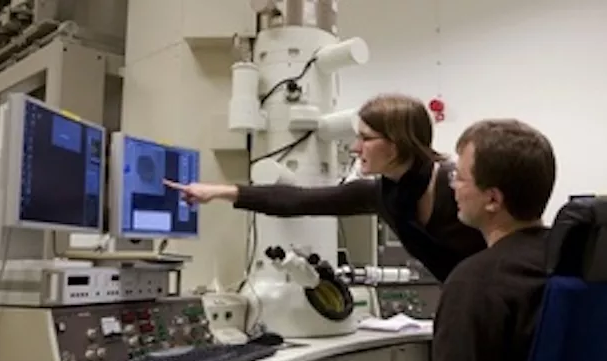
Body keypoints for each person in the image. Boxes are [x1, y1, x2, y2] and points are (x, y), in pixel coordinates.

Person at [164, 93, 487, 282]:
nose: (355, 148)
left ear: (397, 143)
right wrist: (218, 192)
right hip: (466, 302)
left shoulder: (455, 182)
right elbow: (298, 201)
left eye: (365, 138)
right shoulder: (383, 194)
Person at [432, 119, 556, 361]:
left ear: (492, 199)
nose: (453, 186)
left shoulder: (475, 282)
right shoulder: (574, 258)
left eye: (460, 178)